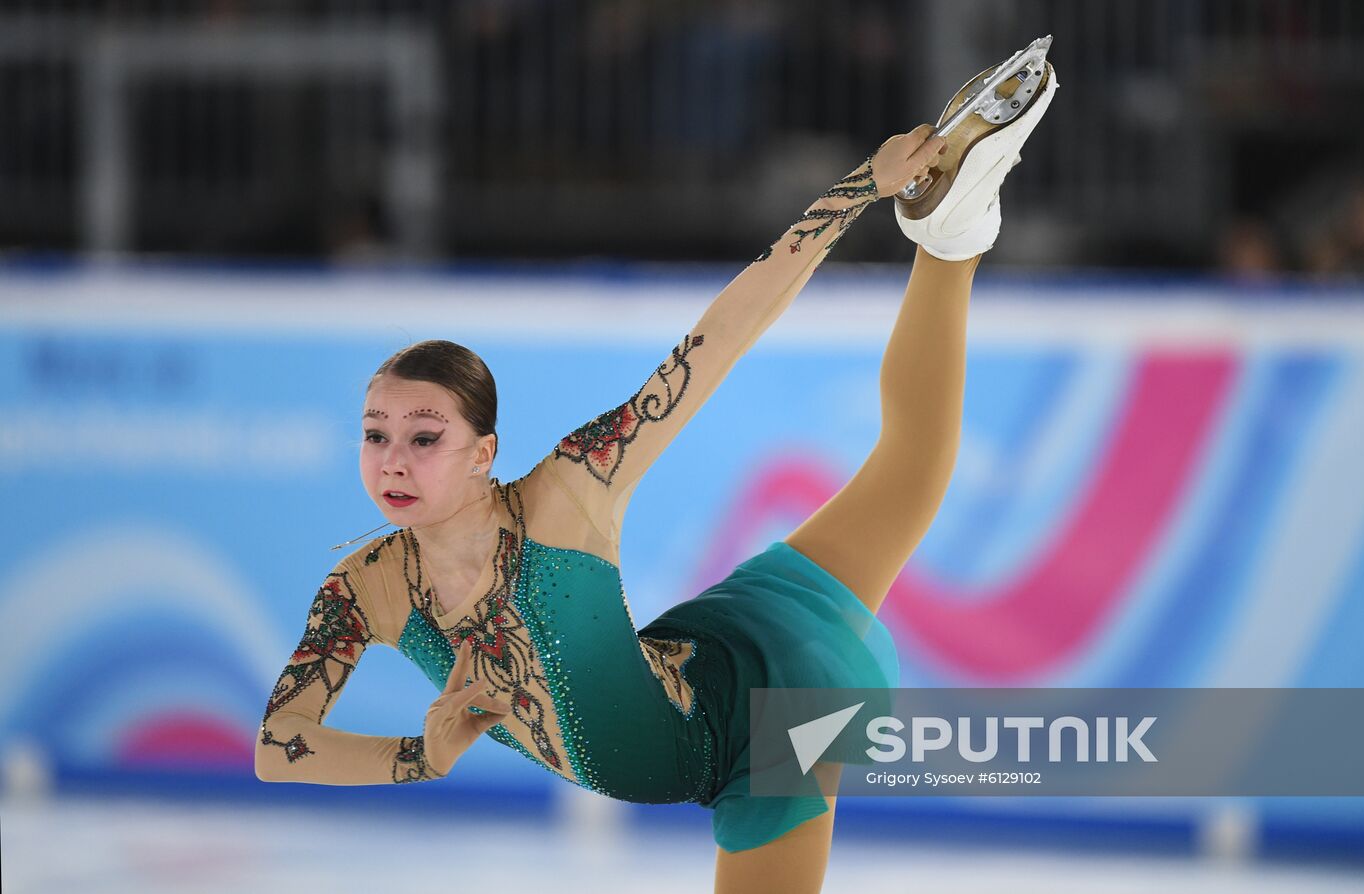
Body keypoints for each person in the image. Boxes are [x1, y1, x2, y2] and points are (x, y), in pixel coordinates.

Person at [255, 62, 1057, 892]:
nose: (393, 459)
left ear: (482, 453)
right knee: (913, 474)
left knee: (912, 471)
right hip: (719, 641)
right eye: (375, 434)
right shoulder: (369, 587)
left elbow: (720, 336)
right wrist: (421, 758)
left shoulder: (570, 491)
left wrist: (864, 185)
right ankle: (953, 237)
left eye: (425, 437)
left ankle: (942, 237)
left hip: (763, 724)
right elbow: (279, 745)